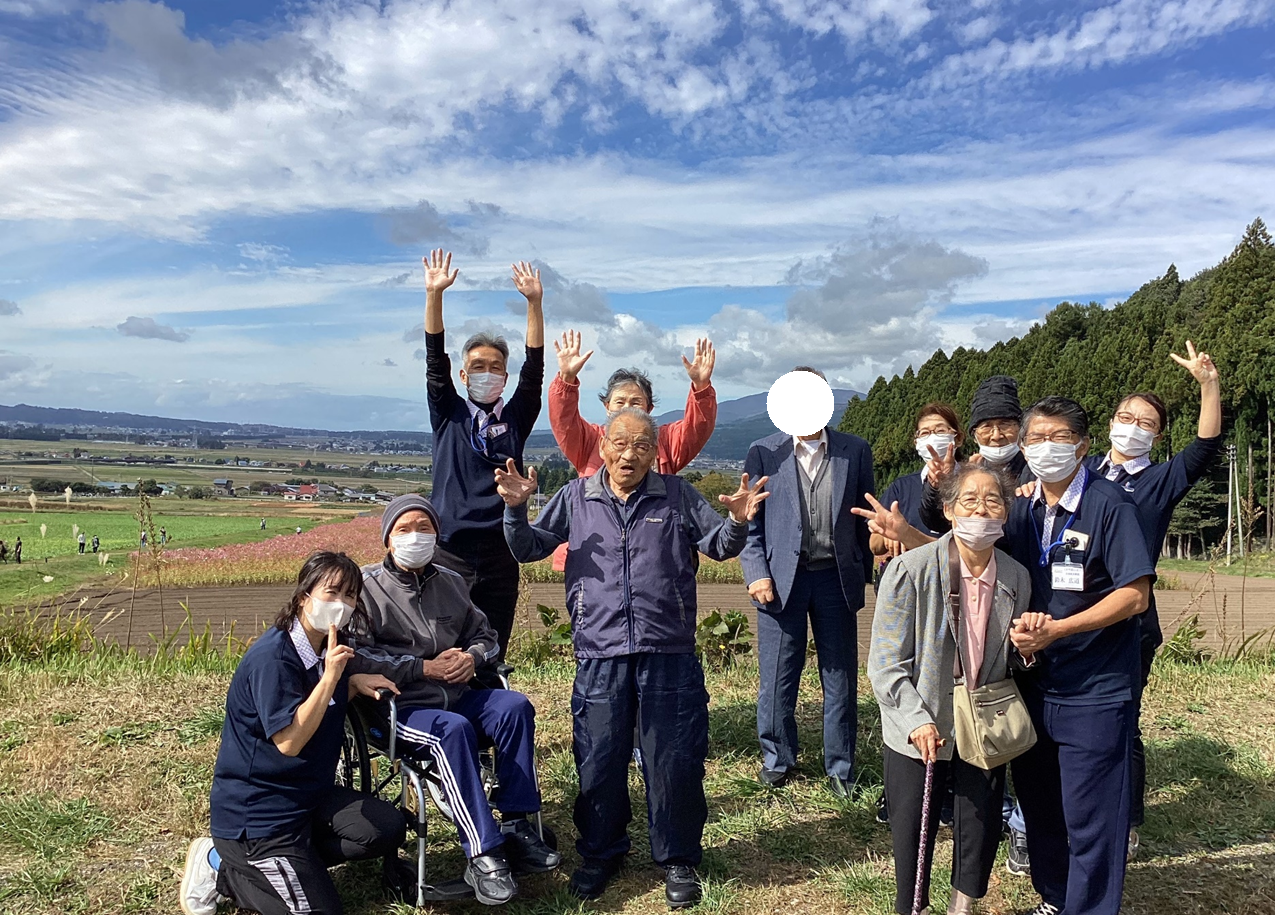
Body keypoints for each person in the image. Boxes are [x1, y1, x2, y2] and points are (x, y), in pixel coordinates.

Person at [498, 408, 769, 907]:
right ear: (602, 446)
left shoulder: (677, 495)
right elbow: (528, 548)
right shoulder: (577, 498)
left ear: (655, 451)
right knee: (599, 759)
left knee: (674, 760)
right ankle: (601, 853)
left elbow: (718, 545)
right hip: (599, 650)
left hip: (669, 651)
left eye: (643, 445)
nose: (630, 454)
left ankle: (679, 859)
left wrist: (736, 520)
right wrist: (516, 510)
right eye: (620, 443)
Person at [350, 494, 560, 905]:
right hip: (401, 705)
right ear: (388, 539)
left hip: (457, 695)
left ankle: (517, 825)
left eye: (424, 528)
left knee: (514, 706)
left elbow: (486, 637)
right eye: (404, 529)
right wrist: (422, 668)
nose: (416, 537)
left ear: (437, 536)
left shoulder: (451, 582)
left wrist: (470, 657)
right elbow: (357, 654)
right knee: (454, 729)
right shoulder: (366, 588)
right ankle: (483, 852)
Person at [179, 551, 405, 915]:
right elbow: (289, 740)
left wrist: (350, 683)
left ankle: (286, 869)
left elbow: (318, 701)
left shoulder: (323, 650)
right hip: (260, 820)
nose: (342, 604)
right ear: (304, 597)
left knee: (385, 828)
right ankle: (224, 866)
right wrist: (333, 678)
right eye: (331, 593)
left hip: (306, 800)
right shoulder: (275, 658)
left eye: (350, 595)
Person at [869, 463, 1032, 915]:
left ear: (1005, 512)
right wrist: (916, 720)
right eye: (970, 500)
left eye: (993, 500)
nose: (982, 509)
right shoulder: (910, 570)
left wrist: (1029, 648)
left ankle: (963, 908)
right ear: (948, 510)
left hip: (983, 722)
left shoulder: (1016, 577)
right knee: (912, 832)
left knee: (978, 826)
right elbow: (885, 664)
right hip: (918, 725)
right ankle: (912, 907)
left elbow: (1011, 657)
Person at [1085, 340, 1222, 858]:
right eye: (1125, 416)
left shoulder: (1160, 482)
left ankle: (1127, 820)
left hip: (1129, 623)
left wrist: (1208, 383)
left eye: (1145, 422)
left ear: (1157, 436)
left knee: (1121, 722)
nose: (1132, 426)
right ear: (1110, 422)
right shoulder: (1081, 475)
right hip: (1071, 617)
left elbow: (1206, 445)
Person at [739, 366, 874, 795]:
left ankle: (840, 767)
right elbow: (750, 524)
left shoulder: (855, 451)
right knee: (778, 674)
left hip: (836, 577)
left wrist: (864, 569)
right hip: (781, 579)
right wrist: (756, 573)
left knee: (840, 675)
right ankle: (778, 759)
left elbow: (866, 519)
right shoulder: (764, 452)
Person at [422, 248, 545, 660]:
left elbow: (534, 372)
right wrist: (434, 295)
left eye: (494, 367)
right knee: (443, 654)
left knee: (490, 655)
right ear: (463, 375)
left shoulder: (515, 418)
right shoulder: (449, 413)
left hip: (500, 554)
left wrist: (534, 303)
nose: (486, 374)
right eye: (477, 367)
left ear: (505, 378)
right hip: (448, 553)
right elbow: (433, 360)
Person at [548, 330, 719, 571]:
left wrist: (701, 388)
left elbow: (697, 428)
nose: (626, 407)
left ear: (648, 409)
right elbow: (563, 420)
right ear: (607, 407)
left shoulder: (665, 440)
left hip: (656, 557)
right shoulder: (591, 439)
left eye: (635, 402)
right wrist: (566, 380)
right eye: (619, 402)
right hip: (595, 558)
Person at [918, 375, 1031, 536]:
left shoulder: (1036, 469)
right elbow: (939, 523)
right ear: (974, 435)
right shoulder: (968, 473)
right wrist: (940, 486)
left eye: (1005, 425)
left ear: (1021, 429)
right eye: (986, 427)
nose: (996, 435)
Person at [871, 403, 964, 562]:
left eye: (941, 431)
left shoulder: (974, 483)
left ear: (959, 438)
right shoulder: (901, 487)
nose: (932, 439)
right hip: (912, 579)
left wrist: (908, 535)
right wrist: (891, 534)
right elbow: (874, 544)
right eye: (925, 433)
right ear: (916, 443)